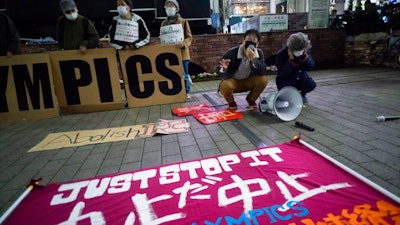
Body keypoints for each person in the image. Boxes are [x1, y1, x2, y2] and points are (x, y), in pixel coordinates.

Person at [216, 29, 268, 110]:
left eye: (253, 40)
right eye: (248, 40)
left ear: (257, 44)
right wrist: (223, 68)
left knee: (263, 80)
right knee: (225, 86)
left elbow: (263, 71)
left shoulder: (259, 53)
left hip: (249, 81)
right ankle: (231, 102)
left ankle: (251, 100)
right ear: (243, 41)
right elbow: (218, 69)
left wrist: (253, 59)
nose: (250, 42)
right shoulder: (232, 52)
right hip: (234, 81)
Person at [160, 0, 193, 99]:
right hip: (170, 53)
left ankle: (186, 91)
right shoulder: (164, 23)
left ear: (177, 9)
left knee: (184, 74)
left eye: (171, 6)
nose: (169, 8)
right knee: (172, 73)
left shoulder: (183, 22)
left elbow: (189, 37)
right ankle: (175, 91)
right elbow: (162, 38)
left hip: (182, 53)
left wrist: (183, 43)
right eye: (167, 6)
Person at [275, 32, 316, 103]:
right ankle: (290, 96)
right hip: (286, 81)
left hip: (301, 78)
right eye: (297, 49)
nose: (299, 51)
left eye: (302, 49)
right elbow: (283, 74)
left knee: (311, 84)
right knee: (287, 90)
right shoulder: (281, 54)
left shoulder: (305, 52)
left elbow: (311, 66)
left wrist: (305, 58)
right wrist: (291, 61)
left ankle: (301, 95)